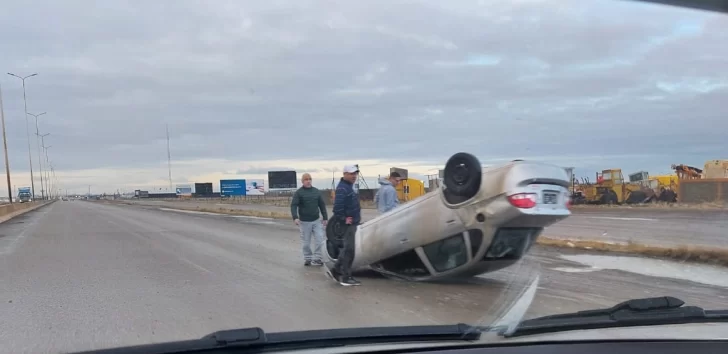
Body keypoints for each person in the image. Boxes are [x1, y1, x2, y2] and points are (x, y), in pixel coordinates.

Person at [327, 164, 362, 286]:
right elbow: (337, 208)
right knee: (349, 250)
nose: (354, 176)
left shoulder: (348, 187)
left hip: (353, 223)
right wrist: (344, 219)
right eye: (351, 174)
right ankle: (346, 277)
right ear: (345, 174)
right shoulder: (343, 189)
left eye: (355, 174)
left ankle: (336, 271)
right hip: (347, 225)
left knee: (348, 249)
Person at [290, 173, 328, 266]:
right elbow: (294, 205)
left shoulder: (316, 192)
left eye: (309, 179)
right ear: (302, 181)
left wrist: (325, 217)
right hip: (304, 222)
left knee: (319, 240)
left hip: (316, 220)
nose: (308, 181)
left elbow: (322, 205)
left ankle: (317, 258)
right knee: (306, 243)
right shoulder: (299, 193)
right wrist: (295, 217)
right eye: (306, 179)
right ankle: (308, 258)